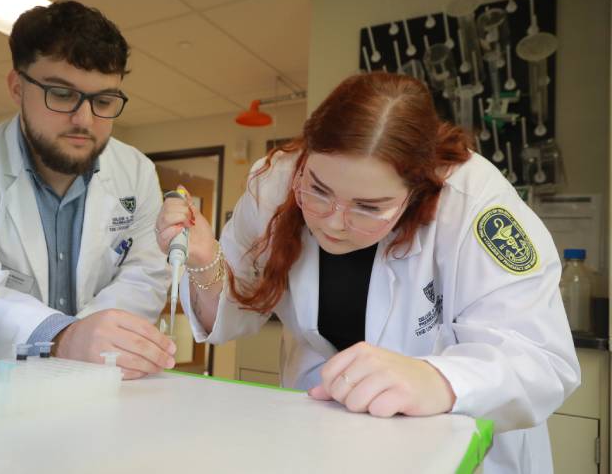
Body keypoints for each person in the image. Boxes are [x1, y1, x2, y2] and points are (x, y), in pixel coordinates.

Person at [156, 72, 579, 473]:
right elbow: (233, 315)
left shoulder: (474, 202)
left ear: (415, 192)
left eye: (369, 207)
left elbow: (542, 360)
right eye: (318, 191)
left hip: (451, 447)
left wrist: (439, 379)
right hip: (323, 434)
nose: (334, 223)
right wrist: (203, 257)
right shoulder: (277, 182)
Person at [0, 1, 175, 379]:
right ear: (17, 88)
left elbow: (145, 274)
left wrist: (91, 340)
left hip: (98, 382)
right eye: (62, 94)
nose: (83, 120)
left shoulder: (136, 172)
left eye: (103, 101)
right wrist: (62, 338)